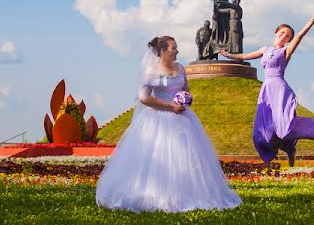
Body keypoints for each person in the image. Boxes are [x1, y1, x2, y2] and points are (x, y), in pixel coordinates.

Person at [96, 35, 241, 212]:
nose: (177, 50)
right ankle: (158, 195)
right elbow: (144, 98)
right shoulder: (151, 71)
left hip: (183, 118)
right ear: (163, 51)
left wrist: (187, 99)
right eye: (174, 48)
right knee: (162, 157)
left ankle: (188, 193)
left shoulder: (180, 68)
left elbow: (185, 89)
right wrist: (169, 106)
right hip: (157, 119)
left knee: (186, 157)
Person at [221, 15, 314, 166]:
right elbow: (246, 56)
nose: (284, 36)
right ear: (276, 32)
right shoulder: (265, 49)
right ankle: (289, 150)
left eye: (288, 36)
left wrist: (312, 21)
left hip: (279, 90)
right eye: (282, 33)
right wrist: (229, 55)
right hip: (266, 90)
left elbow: (300, 36)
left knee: (284, 125)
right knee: (265, 128)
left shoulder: (285, 51)